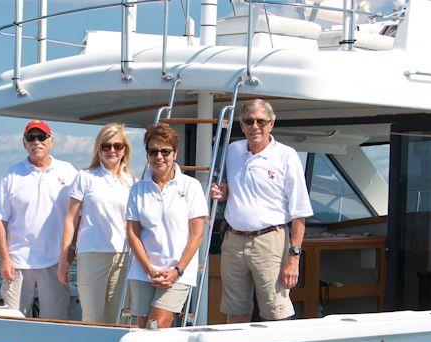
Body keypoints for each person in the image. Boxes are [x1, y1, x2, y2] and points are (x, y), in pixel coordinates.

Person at [210, 99, 313, 323]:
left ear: (271, 123)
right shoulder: (233, 151)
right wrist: (222, 192)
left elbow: (300, 212)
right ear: (242, 123)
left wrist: (293, 259)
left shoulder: (287, 156)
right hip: (233, 241)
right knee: (235, 310)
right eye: (249, 121)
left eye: (261, 121)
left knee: (275, 311)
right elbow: (237, 189)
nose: (255, 126)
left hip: (270, 241)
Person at [0, 119, 77, 319]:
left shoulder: (69, 172)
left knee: (55, 323)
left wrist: (68, 256)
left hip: (56, 262)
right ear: (24, 143)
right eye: (31, 137)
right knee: (12, 323)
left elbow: (78, 216)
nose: (36, 141)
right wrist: (4, 260)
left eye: (42, 137)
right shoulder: (10, 175)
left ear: (51, 141)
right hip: (17, 264)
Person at [125, 123, 208, 329]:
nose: (159, 156)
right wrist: (149, 270)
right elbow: (133, 234)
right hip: (143, 272)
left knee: (157, 324)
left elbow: (196, 235)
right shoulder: (137, 189)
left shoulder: (191, 186)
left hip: (177, 273)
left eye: (165, 151)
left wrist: (177, 270)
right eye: (153, 151)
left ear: (175, 153)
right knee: (142, 328)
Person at [58, 123, 135, 323]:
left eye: (117, 146)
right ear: (98, 149)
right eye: (106, 146)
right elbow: (70, 219)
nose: (112, 150)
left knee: (115, 319)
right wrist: (64, 260)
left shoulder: (132, 181)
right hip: (91, 254)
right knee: (92, 318)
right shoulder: (85, 177)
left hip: (123, 256)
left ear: (124, 149)